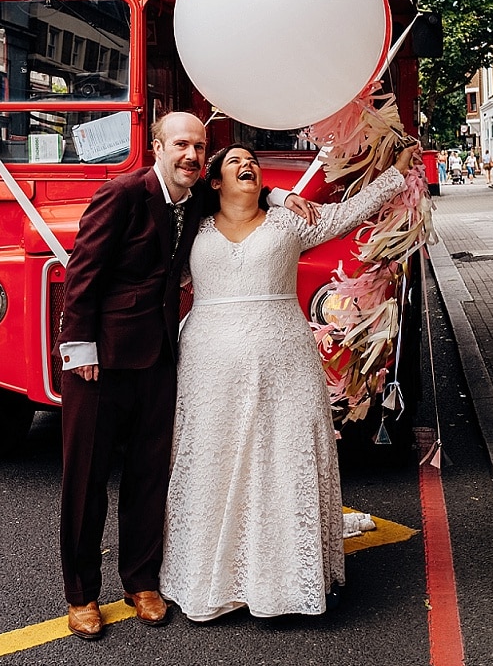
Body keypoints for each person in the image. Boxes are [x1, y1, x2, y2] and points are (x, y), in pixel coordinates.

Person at [57, 113, 307, 639]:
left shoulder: (195, 201)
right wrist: (79, 348)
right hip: (98, 361)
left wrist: (281, 197)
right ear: (157, 147)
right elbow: (82, 271)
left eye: (198, 147)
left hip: (159, 359)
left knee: (150, 475)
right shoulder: (122, 193)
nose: (190, 155)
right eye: (180, 145)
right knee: (87, 479)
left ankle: (141, 581)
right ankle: (81, 594)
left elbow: (247, 189)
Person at [158, 141, 418, 622]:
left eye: (252, 162)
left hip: (286, 360)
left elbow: (345, 214)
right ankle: (212, 577)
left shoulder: (289, 221)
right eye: (235, 162)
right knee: (213, 458)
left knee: (285, 456)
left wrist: (395, 175)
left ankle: (289, 579)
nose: (248, 166)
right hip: (208, 364)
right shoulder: (191, 224)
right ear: (214, 182)